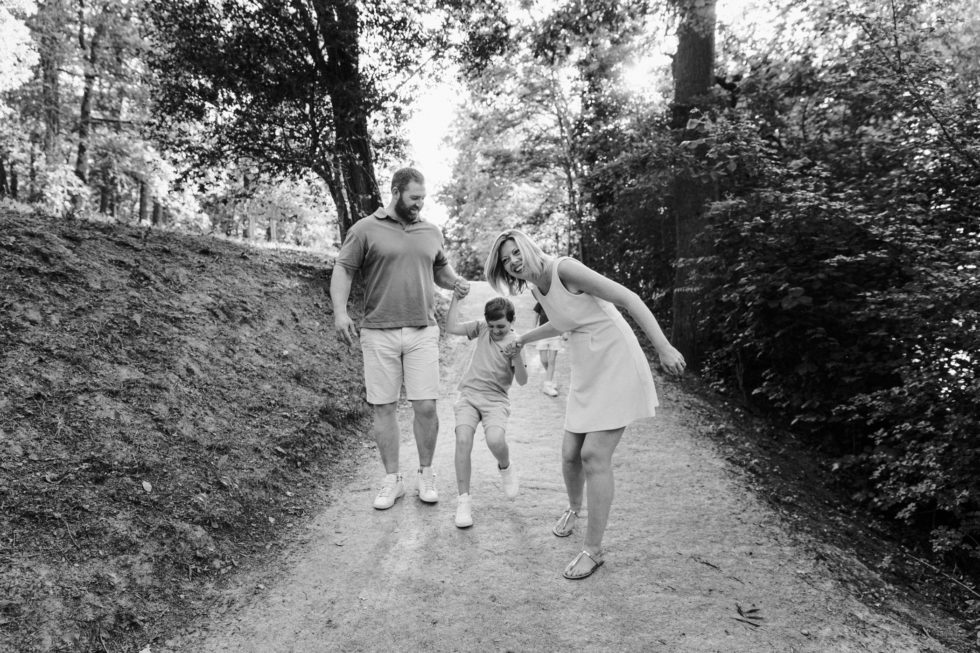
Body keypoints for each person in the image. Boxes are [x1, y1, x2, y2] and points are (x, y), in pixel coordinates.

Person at [485, 229, 686, 580]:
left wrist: (663, 347)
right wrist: (523, 340)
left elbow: (630, 298)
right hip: (587, 367)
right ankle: (575, 509)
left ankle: (593, 550)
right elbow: (563, 322)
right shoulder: (536, 284)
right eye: (506, 261)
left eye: (516, 252)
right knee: (569, 453)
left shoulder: (566, 269)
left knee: (594, 456)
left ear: (529, 246)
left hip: (616, 360)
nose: (514, 262)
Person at [331, 167, 470, 510]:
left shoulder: (431, 231)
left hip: (423, 330)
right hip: (378, 332)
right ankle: (392, 479)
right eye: (414, 198)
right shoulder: (364, 229)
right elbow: (344, 270)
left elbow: (439, 269)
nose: (419, 204)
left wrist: (456, 282)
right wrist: (340, 312)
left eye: (423, 198)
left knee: (425, 405)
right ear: (395, 191)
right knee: (384, 407)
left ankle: (426, 473)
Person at [444, 290, 528, 528]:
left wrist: (518, 354)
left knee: (495, 440)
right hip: (469, 395)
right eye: (492, 326)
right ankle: (463, 502)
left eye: (501, 326)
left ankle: (506, 466)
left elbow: (522, 380)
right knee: (462, 440)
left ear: (511, 321)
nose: (496, 331)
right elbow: (451, 327)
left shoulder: (515, 342)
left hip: (495, 400)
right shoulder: (482, 329)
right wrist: (455, 299)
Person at [532, 301, 563, 397]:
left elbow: (563, 317)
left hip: (555, 334)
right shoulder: (541, 301)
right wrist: (533, 330)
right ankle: (551, 377)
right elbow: (536, 315)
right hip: (542, 334)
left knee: (551, 361)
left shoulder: (558, 302)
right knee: (544, 360)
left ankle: (548, 385)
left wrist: (564, 332)